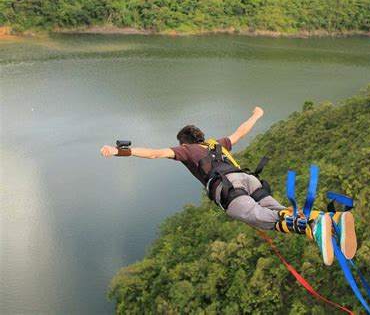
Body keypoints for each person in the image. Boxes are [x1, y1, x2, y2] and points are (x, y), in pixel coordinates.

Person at [101, 107, 356, 266]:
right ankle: (327, 219)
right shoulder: (217, 144)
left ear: (184, 141)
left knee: (255, 216)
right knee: (276, 211)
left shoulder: (185, 149)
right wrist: (257, 114)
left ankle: (311, 227)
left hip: (229, 188)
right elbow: (241, 132)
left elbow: (156, 153)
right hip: (249, 179)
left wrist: (120, 151)